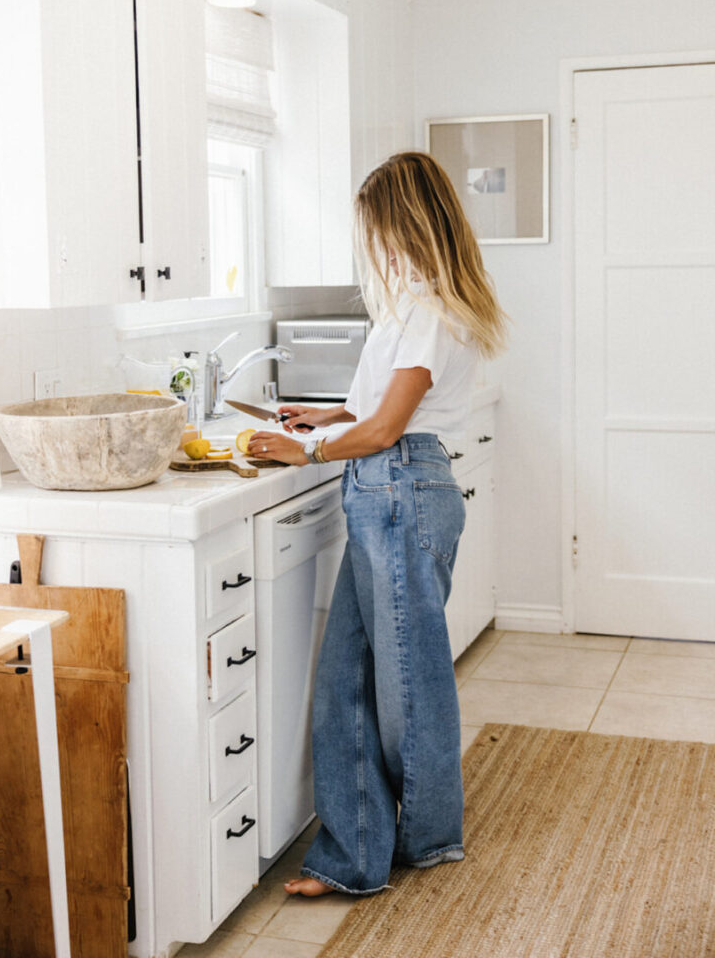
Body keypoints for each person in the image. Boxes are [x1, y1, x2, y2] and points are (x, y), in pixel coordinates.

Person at [249, 151, 507, 897]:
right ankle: (356, 852)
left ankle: (427, 840)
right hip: (386, 493)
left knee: (406, 687)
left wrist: (303, 446)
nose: (375, 247)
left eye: (379, 231)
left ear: (406, 225)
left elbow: (391, 429)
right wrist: (329, 414)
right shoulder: (419, 306)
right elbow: (383, 409)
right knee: (345, 684)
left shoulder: (427, 308)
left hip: (399, 492)